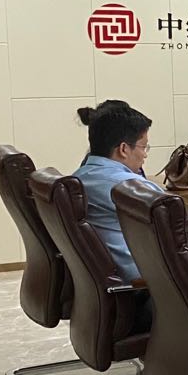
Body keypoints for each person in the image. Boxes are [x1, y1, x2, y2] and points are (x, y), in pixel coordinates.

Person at [72, 101, 161, 284]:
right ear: (123, 149)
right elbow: (175, 221)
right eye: (143, 147)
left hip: (106, 280)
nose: (145, 154)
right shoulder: (131, 188)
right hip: (145, 284)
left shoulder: (79, 177)